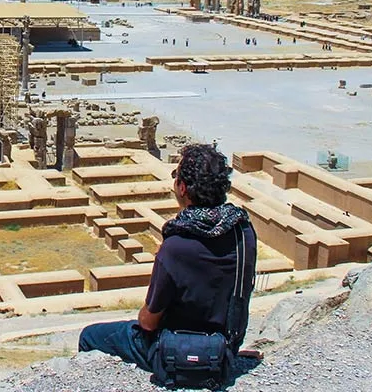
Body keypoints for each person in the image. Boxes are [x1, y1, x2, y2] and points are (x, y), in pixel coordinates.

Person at [78, 144, 257, 376]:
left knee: (89, 336)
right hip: (225, 345)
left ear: (182, 187)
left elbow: (149, 323)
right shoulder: (244, 231)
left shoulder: (176, 245)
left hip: (174, 349)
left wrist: (142, 313)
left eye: (176, 178)